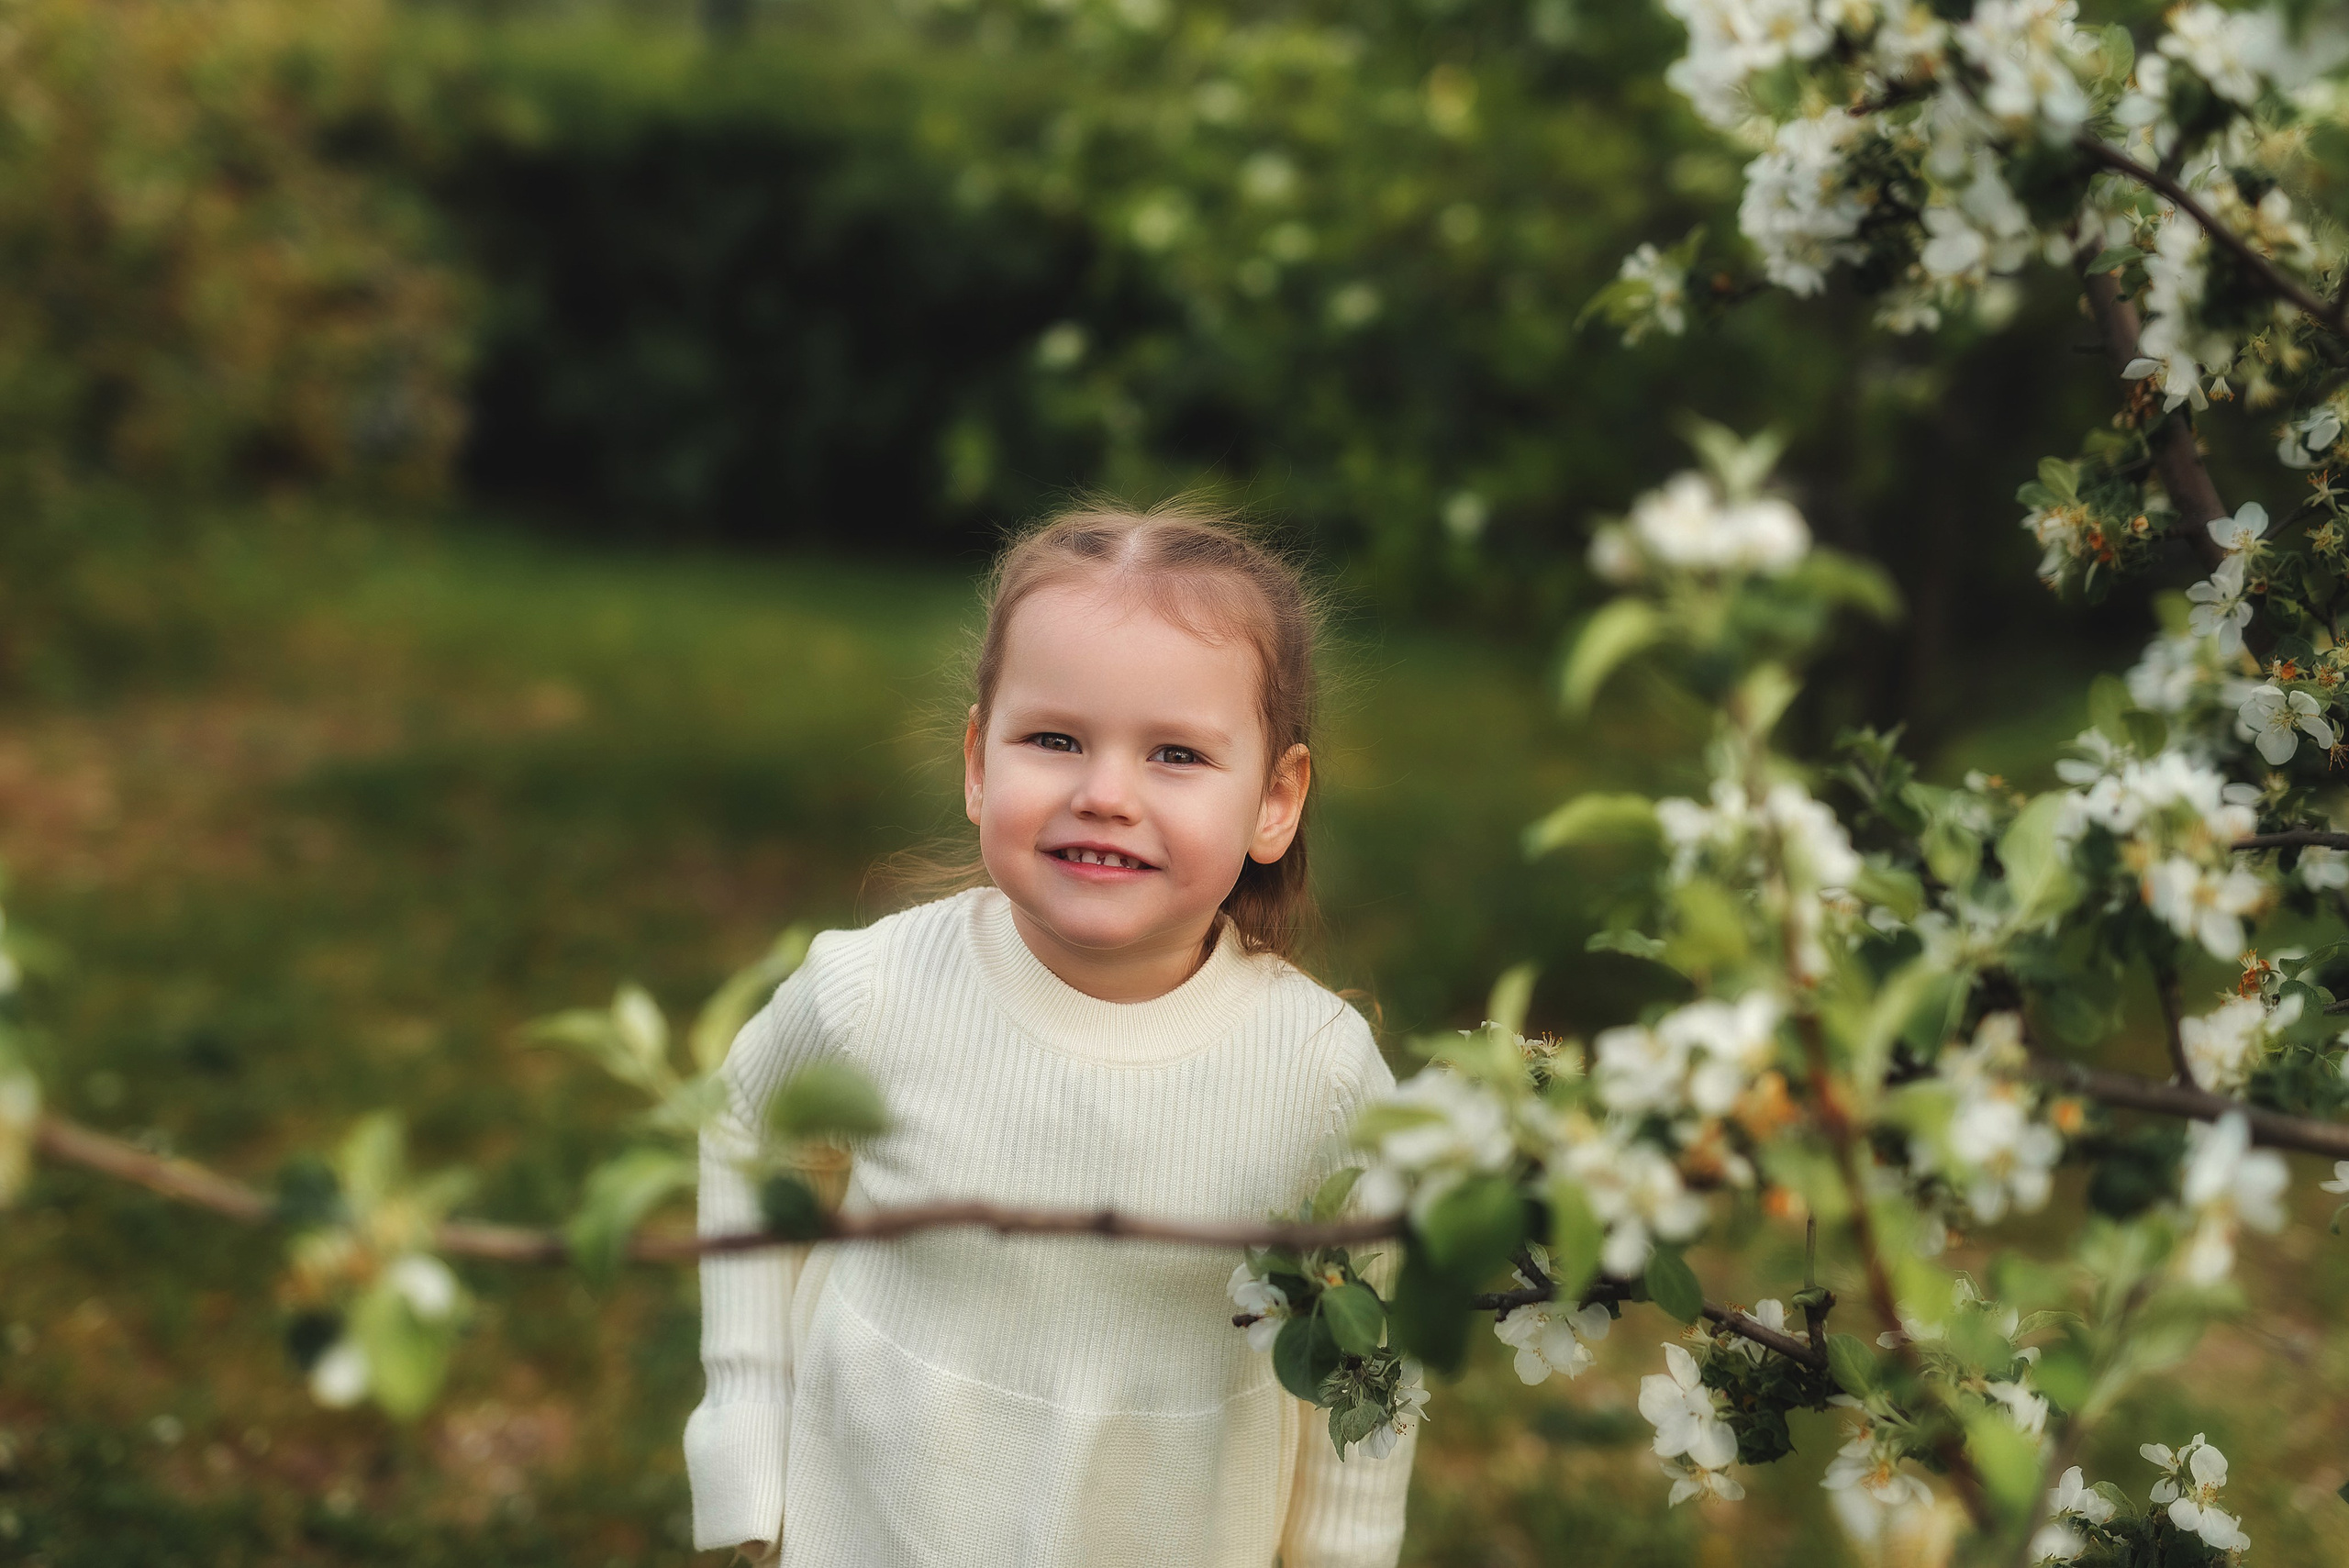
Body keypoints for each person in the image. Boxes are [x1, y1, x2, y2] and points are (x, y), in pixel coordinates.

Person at [683, 502, 1417, 1565]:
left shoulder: (1320, 1074)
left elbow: (1372, 1340)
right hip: (878, 1518)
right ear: (980, 761)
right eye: (1055, 739)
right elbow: (746, 1123)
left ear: (1276, 799)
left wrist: (1343, 1551)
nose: (1104, 792)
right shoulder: (876, 989)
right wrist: (744, 1433)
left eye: (1174, 753)